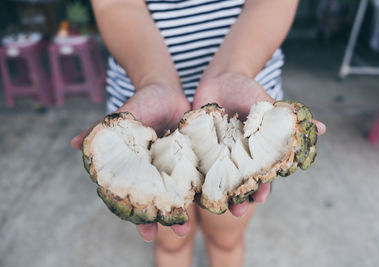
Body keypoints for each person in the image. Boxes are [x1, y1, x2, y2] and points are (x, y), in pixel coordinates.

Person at [71, 1, 326, 266]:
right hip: (145, 105)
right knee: (171, 244)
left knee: (226, 239)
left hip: (242, 98)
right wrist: (155, 80)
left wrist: (233, 70)